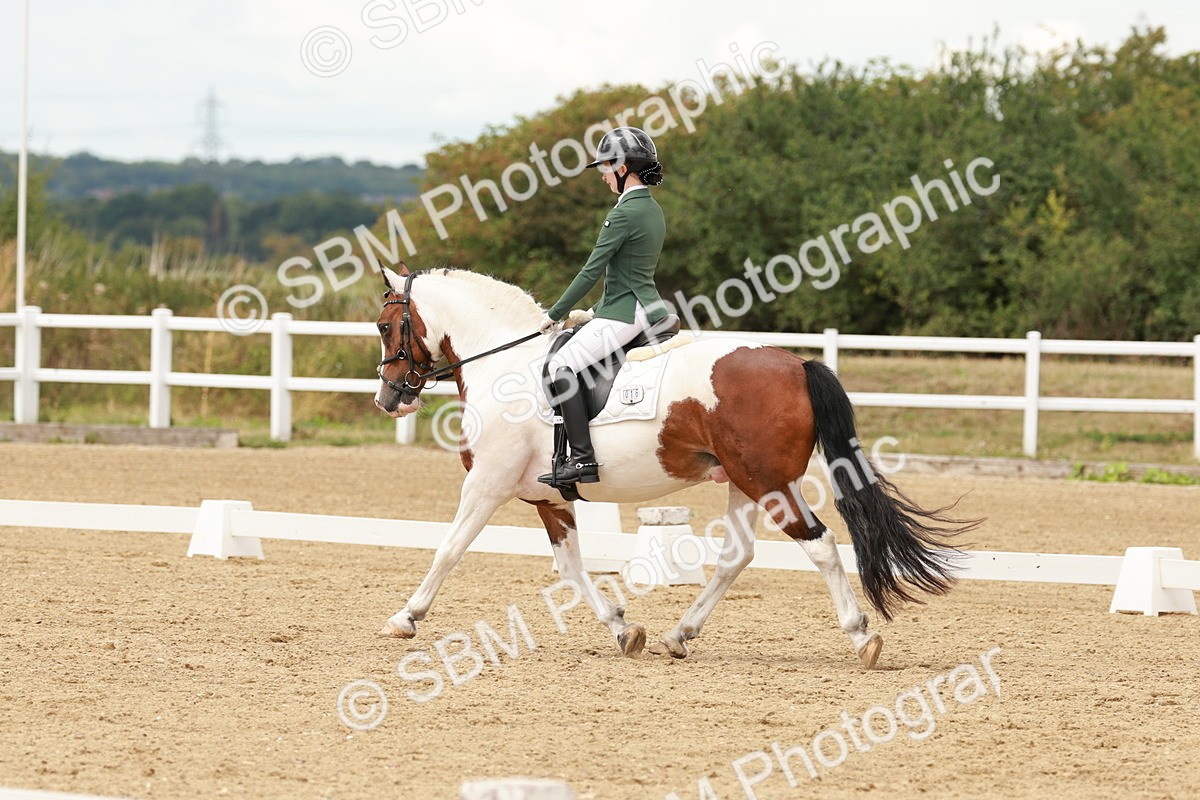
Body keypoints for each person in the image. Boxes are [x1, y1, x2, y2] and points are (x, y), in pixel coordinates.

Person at [536, 126, 668, 488]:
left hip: (625, 313)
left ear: (624, 168)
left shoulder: (623, 214)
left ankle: (582, 460)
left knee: (561, 364)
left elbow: (591, 269)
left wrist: (555, 313)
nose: (604, 175)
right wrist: (593, 311)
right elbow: (628, 273)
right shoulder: (652, 209)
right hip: (644, 306)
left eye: (606, 168)